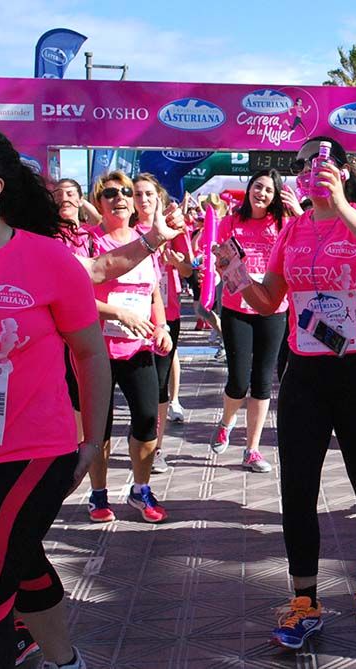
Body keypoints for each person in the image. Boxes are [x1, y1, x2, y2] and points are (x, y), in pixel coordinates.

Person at [227, 136, 356, 649]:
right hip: (305, 371)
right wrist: (237, 276)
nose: (311, 169)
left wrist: (345, 207)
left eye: (322, 161)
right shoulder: (293, 229)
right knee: (297, 487)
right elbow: (269, 301)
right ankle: (304, 601)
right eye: (303, 163)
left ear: (343, 171)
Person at [0, 121, 110, 669]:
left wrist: (91, 441)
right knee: (21, 559)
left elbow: (90, 355)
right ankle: (66, 660)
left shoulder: (49, 260)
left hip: (28, 453)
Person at [86, 170, 173, 524]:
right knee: (99, 428)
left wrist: (162, 326)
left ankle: (141, 490)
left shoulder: (145, 240)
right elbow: (76, 297)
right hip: (98, 350)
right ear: (99, 202)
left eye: (125, 192)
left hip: (138, 348)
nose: (120, 198)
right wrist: (118, 313)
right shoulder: (89, 242)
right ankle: (98, 494)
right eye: (110, 194)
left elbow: (154, 292)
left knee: (148, 420)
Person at [209, 170, 291, 474]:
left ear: (276, 196)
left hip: (273, 309)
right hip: (237, 308)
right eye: (258, 187)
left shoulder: (283, 224)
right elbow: (221, 262)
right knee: (238, 381)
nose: (262, 194)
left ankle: (251, 450)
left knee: (262, 381)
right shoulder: (231, 222)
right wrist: (223, 265)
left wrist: (296, 211)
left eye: (269, 190)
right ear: (249, 189)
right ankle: (226, 422)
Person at [130, 174, 193, 475]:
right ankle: (139, 437)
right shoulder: (127, 230)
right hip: (134, 316)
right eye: (138, 194)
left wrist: (176, 261)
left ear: (159, 198)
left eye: (149, 194)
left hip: (167, 314)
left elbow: (189, 269)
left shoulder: (173, 228)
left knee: (159, 383)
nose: (143, 200)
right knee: (136, 383)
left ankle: (156, 447)